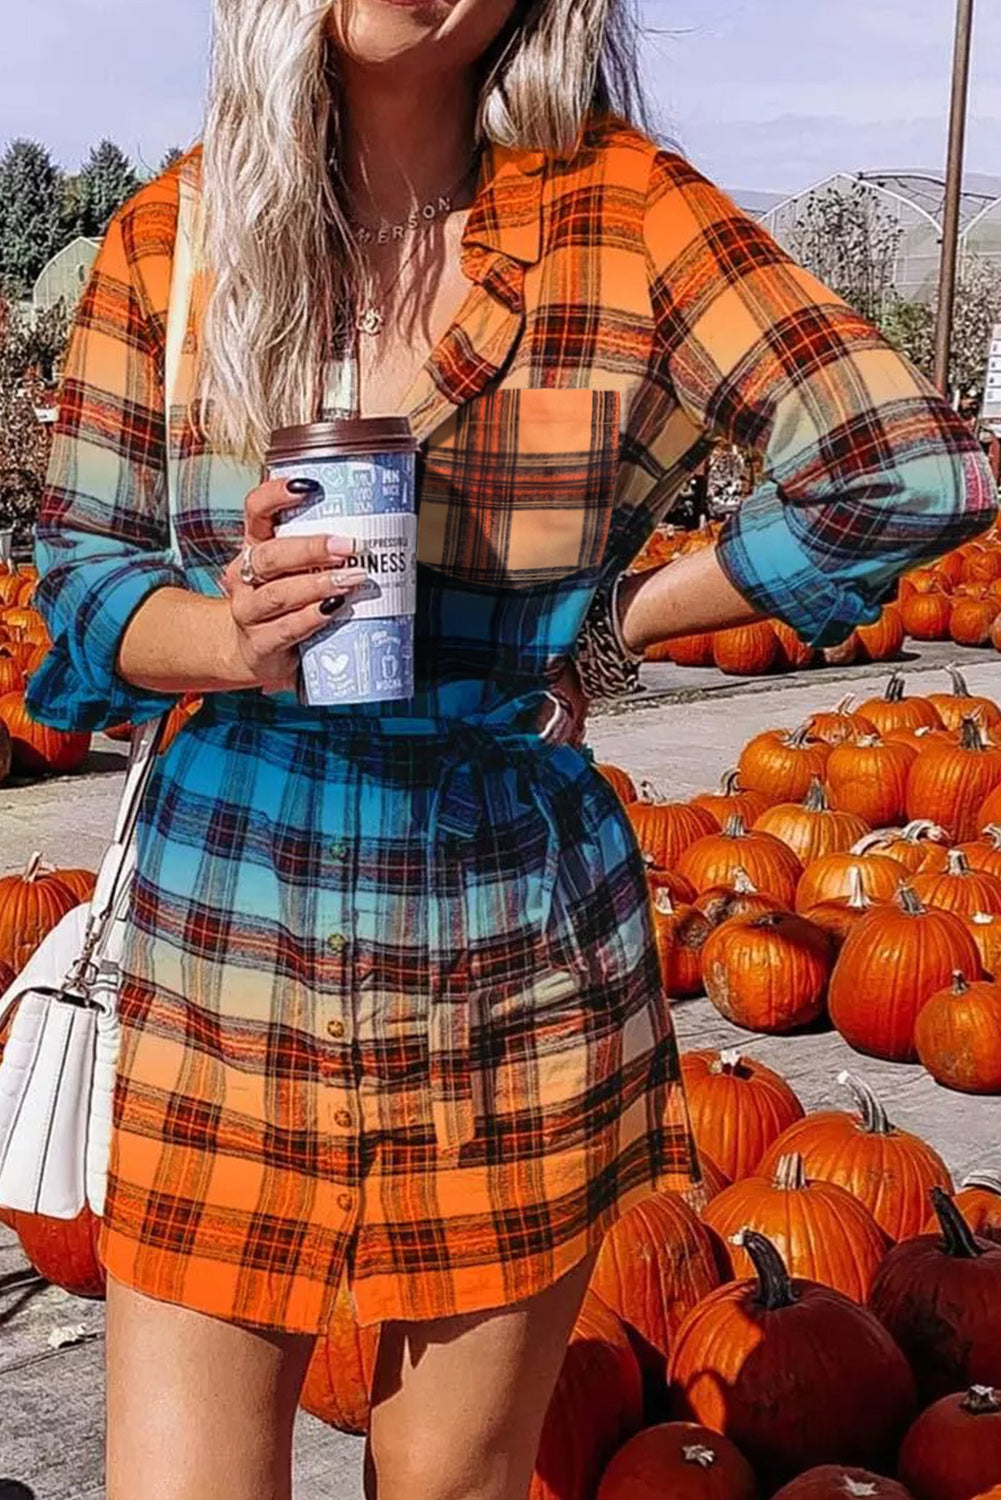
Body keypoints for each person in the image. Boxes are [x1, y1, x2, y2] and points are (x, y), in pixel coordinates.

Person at [27, 1, 997, 1497]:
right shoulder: (180, 231)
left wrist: (619, 615)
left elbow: (909, 469)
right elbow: (81, 578)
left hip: (502, 946)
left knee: (460, 1482)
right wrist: (225, 637)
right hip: (232, 924)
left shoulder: (624, 217)